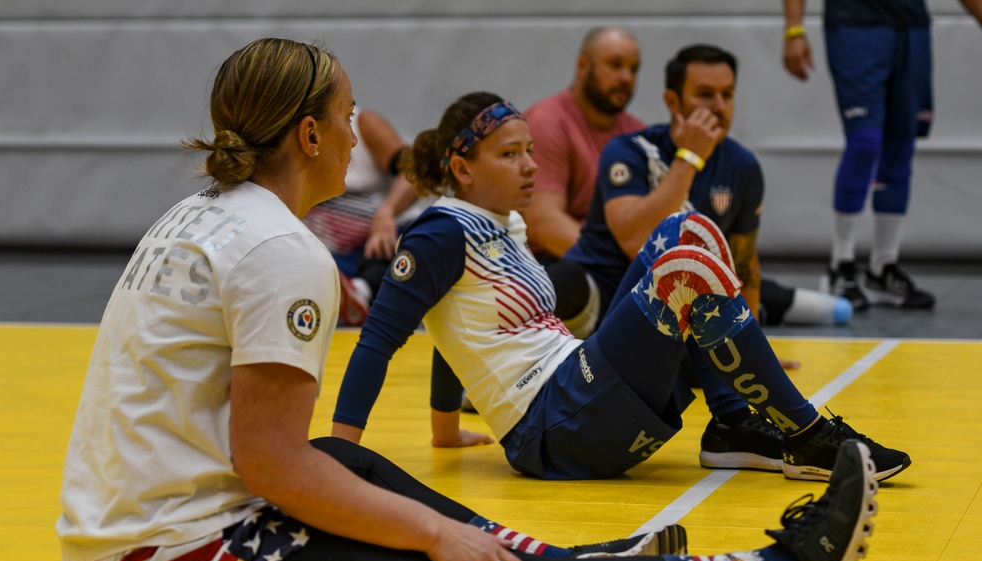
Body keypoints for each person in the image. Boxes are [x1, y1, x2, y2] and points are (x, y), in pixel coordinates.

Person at [0, 38, 885, 561]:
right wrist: (438, 535)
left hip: (131, 556)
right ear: (309, 135)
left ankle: (582, 559)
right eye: (348, 118)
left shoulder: (196, 216)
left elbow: (151, 413)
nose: (361, 136)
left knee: (366, 472)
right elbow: (271, 465)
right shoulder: (281, 250)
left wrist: (96, 558)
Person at [330, 91, 910, 486]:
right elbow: (377, 342)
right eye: (510, 155)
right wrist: (342, 459)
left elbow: (456, 325)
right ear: (462, 169)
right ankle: (809, 437)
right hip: (555, 427)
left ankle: (733, 422)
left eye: (531, 151)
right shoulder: (437, 235)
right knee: (684, 269)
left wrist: (445, 428)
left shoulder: (501, 223)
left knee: (688, 228)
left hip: (577, 390)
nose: (531, 165)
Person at [562, 45, 849, 473]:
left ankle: (735, 428)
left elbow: (745, 264)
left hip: (674, 320)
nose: (719, 107)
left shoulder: (742, 166)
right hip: (606, 307)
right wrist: (690, 158)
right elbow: (635, 239)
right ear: (673, 102)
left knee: (749, 310)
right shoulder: (629, 151)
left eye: (727, 95)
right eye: (704, 95)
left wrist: (753, 346)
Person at [782, 0, 982, 310]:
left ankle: (882, 267)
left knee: (900, 145)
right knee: (864, 142)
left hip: (910, 25)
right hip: (855, 22)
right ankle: (841, 265)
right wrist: (794, 29)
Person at [522, 26, 644, 260]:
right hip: (553, 265)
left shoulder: (638, 133)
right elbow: (543, 224)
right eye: (616, 65)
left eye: (633, 69)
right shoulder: (547, 122)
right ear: (582, 66)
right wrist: (612, 268)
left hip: (615, 264)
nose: (626, 78)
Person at [302, 107, 426, 326]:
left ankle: (362, 292)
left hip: (388, 239)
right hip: (336, 259)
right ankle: (348, 293)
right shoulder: (287, 137)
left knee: (412, 244)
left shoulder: (364, 126)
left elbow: (417, 171)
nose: (352, 140)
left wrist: (386, 211)